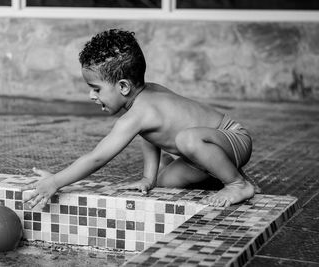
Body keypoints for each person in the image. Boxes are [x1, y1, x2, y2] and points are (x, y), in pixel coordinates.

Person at [22, 29, 256, 208]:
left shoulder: (135, 116)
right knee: (165, 182)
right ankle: (222, 172)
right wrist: (148, 177)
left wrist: (55, 182)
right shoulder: (146, 98)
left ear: (123, 86)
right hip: (212, 149)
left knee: (187, 139)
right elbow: (150, 135)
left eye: (96, 89)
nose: (91, 96)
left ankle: (237, 183)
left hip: (233, 138)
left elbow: (96, 158)